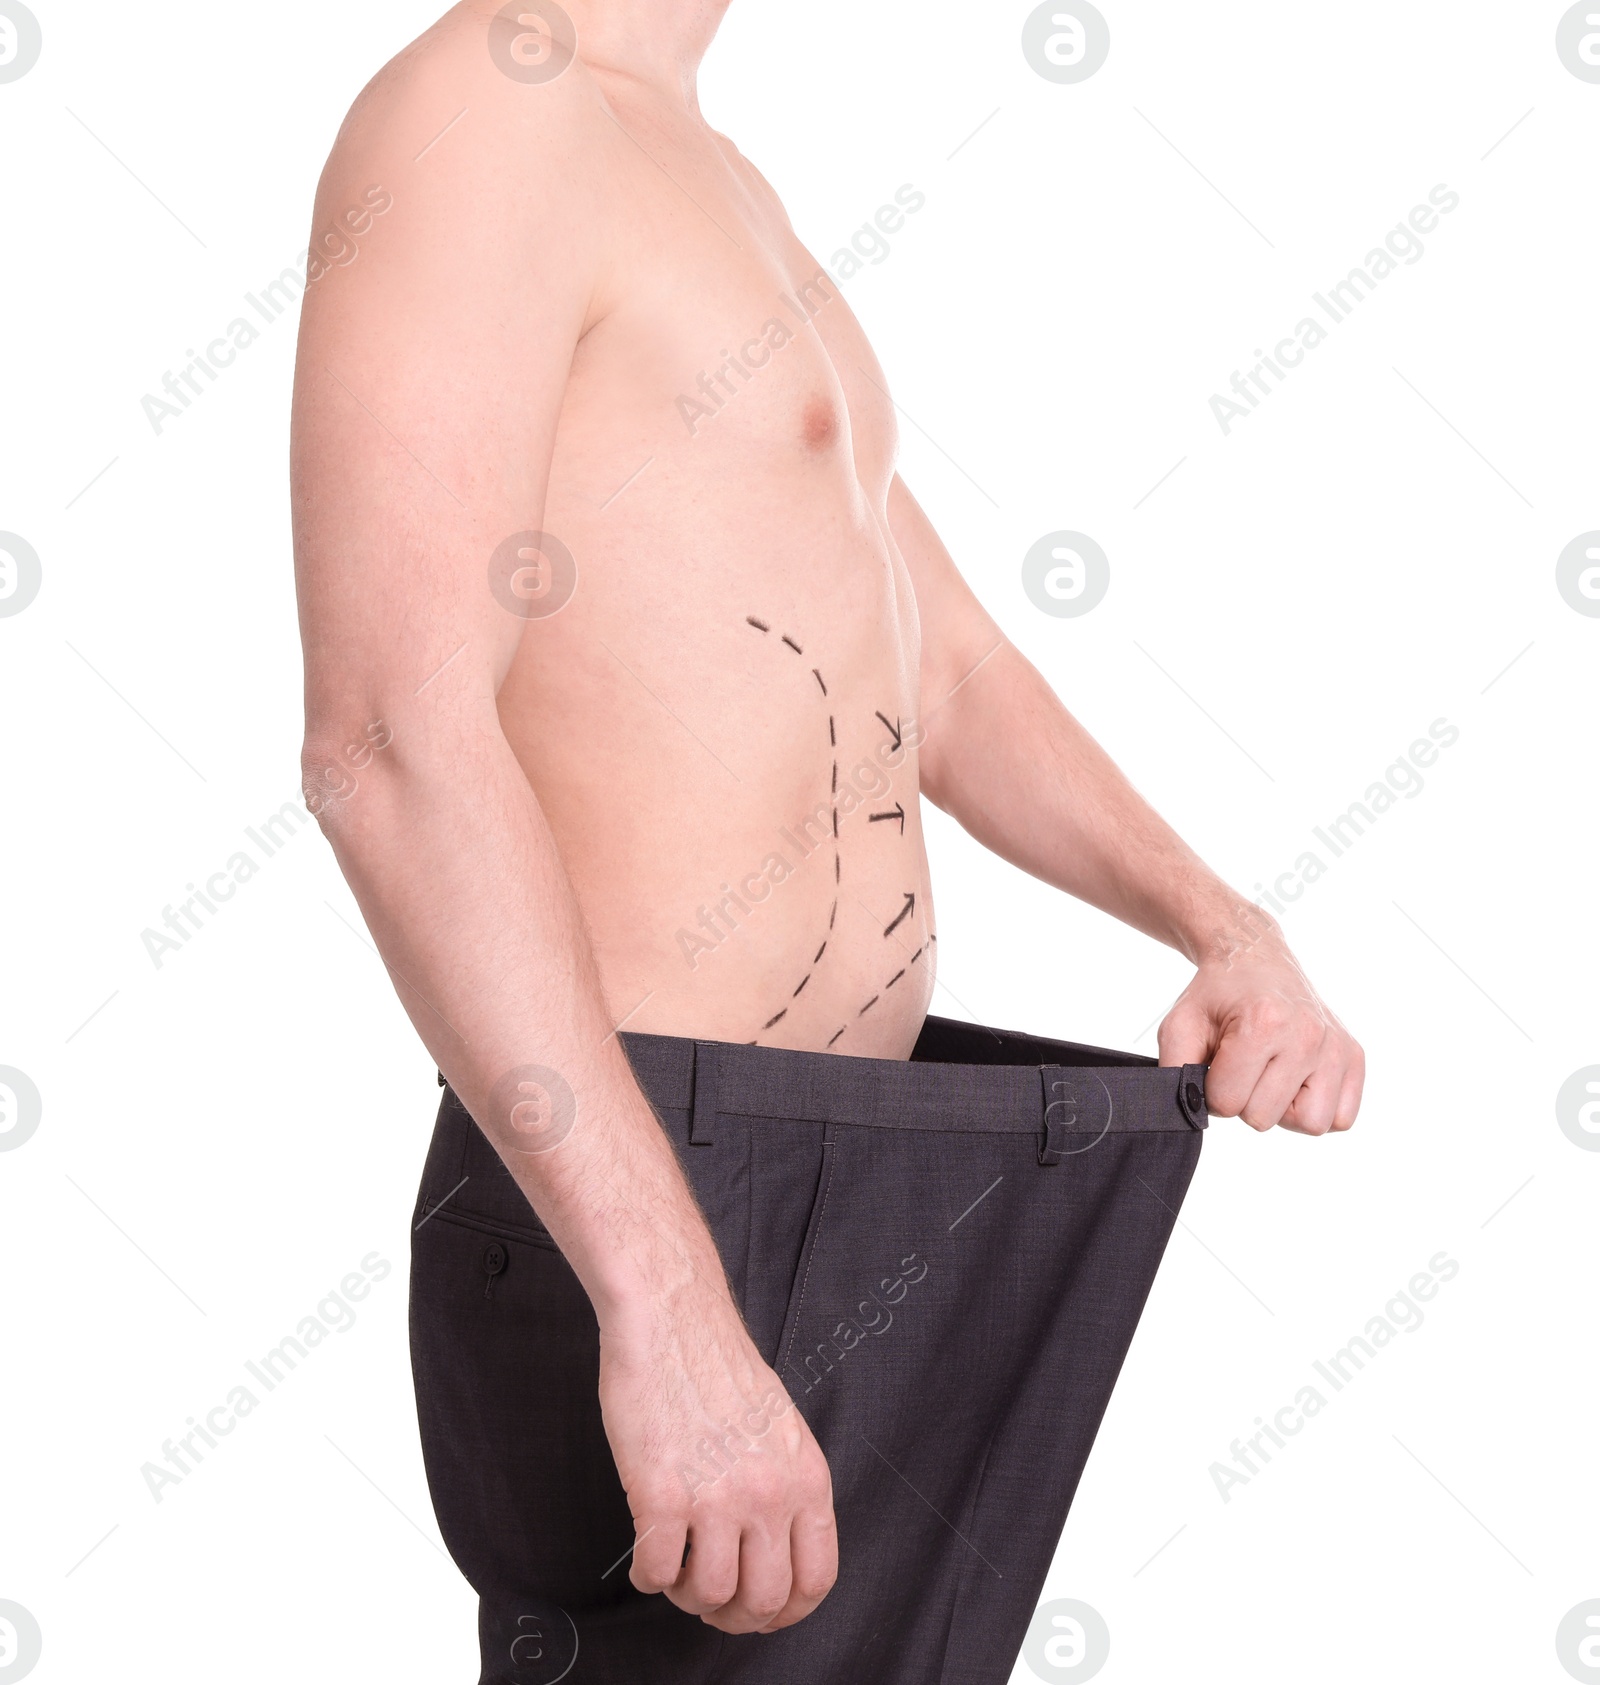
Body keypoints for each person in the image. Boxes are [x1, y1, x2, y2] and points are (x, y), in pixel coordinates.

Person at [290, 3, 1364, 1678]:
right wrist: (665, 1301)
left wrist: (1219, 923)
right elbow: (389, 738)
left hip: (842, 1158)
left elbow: (938, 663)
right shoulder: (485, 118)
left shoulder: (707, 166)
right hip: (656, 1181)